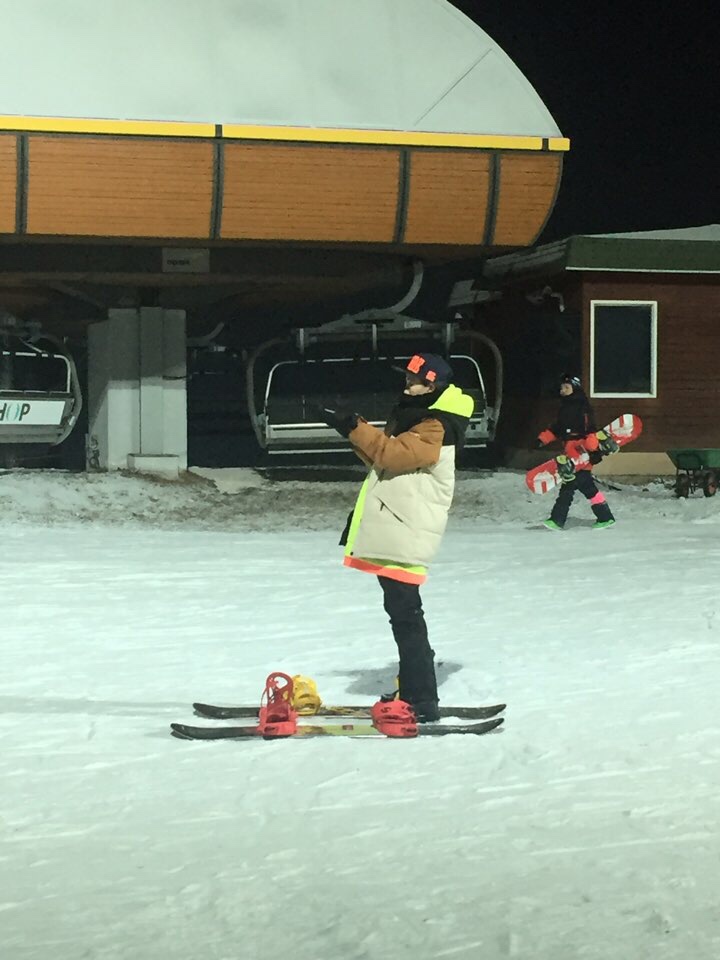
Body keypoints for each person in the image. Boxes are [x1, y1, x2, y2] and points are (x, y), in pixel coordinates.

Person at [318, 352, 473, 722]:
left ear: (432, 385)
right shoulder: (416, 416)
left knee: (406, 615)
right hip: (401, 526)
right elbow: (382, 459)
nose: (407, 384)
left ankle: (421, 699)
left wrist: (355, 425)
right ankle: (415, 689)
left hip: (408, 529)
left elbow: (392, 455)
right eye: (406, 378)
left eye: (413, 380)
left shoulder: (436, 424)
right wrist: (351, 430)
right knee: (402, 612)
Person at [537, 373, 616, 531]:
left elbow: (590, 429)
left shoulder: (583, 406)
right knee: (582, 487)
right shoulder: (565, 407)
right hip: (570, 451)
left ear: (575, 388)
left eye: (567, 387)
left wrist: (593, 449)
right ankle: (604, 517)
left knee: (571, 487)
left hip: (582, 452)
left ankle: (558, 520)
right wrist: (543, 438)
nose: (563, 390)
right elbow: (558, 428)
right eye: (562, 387)